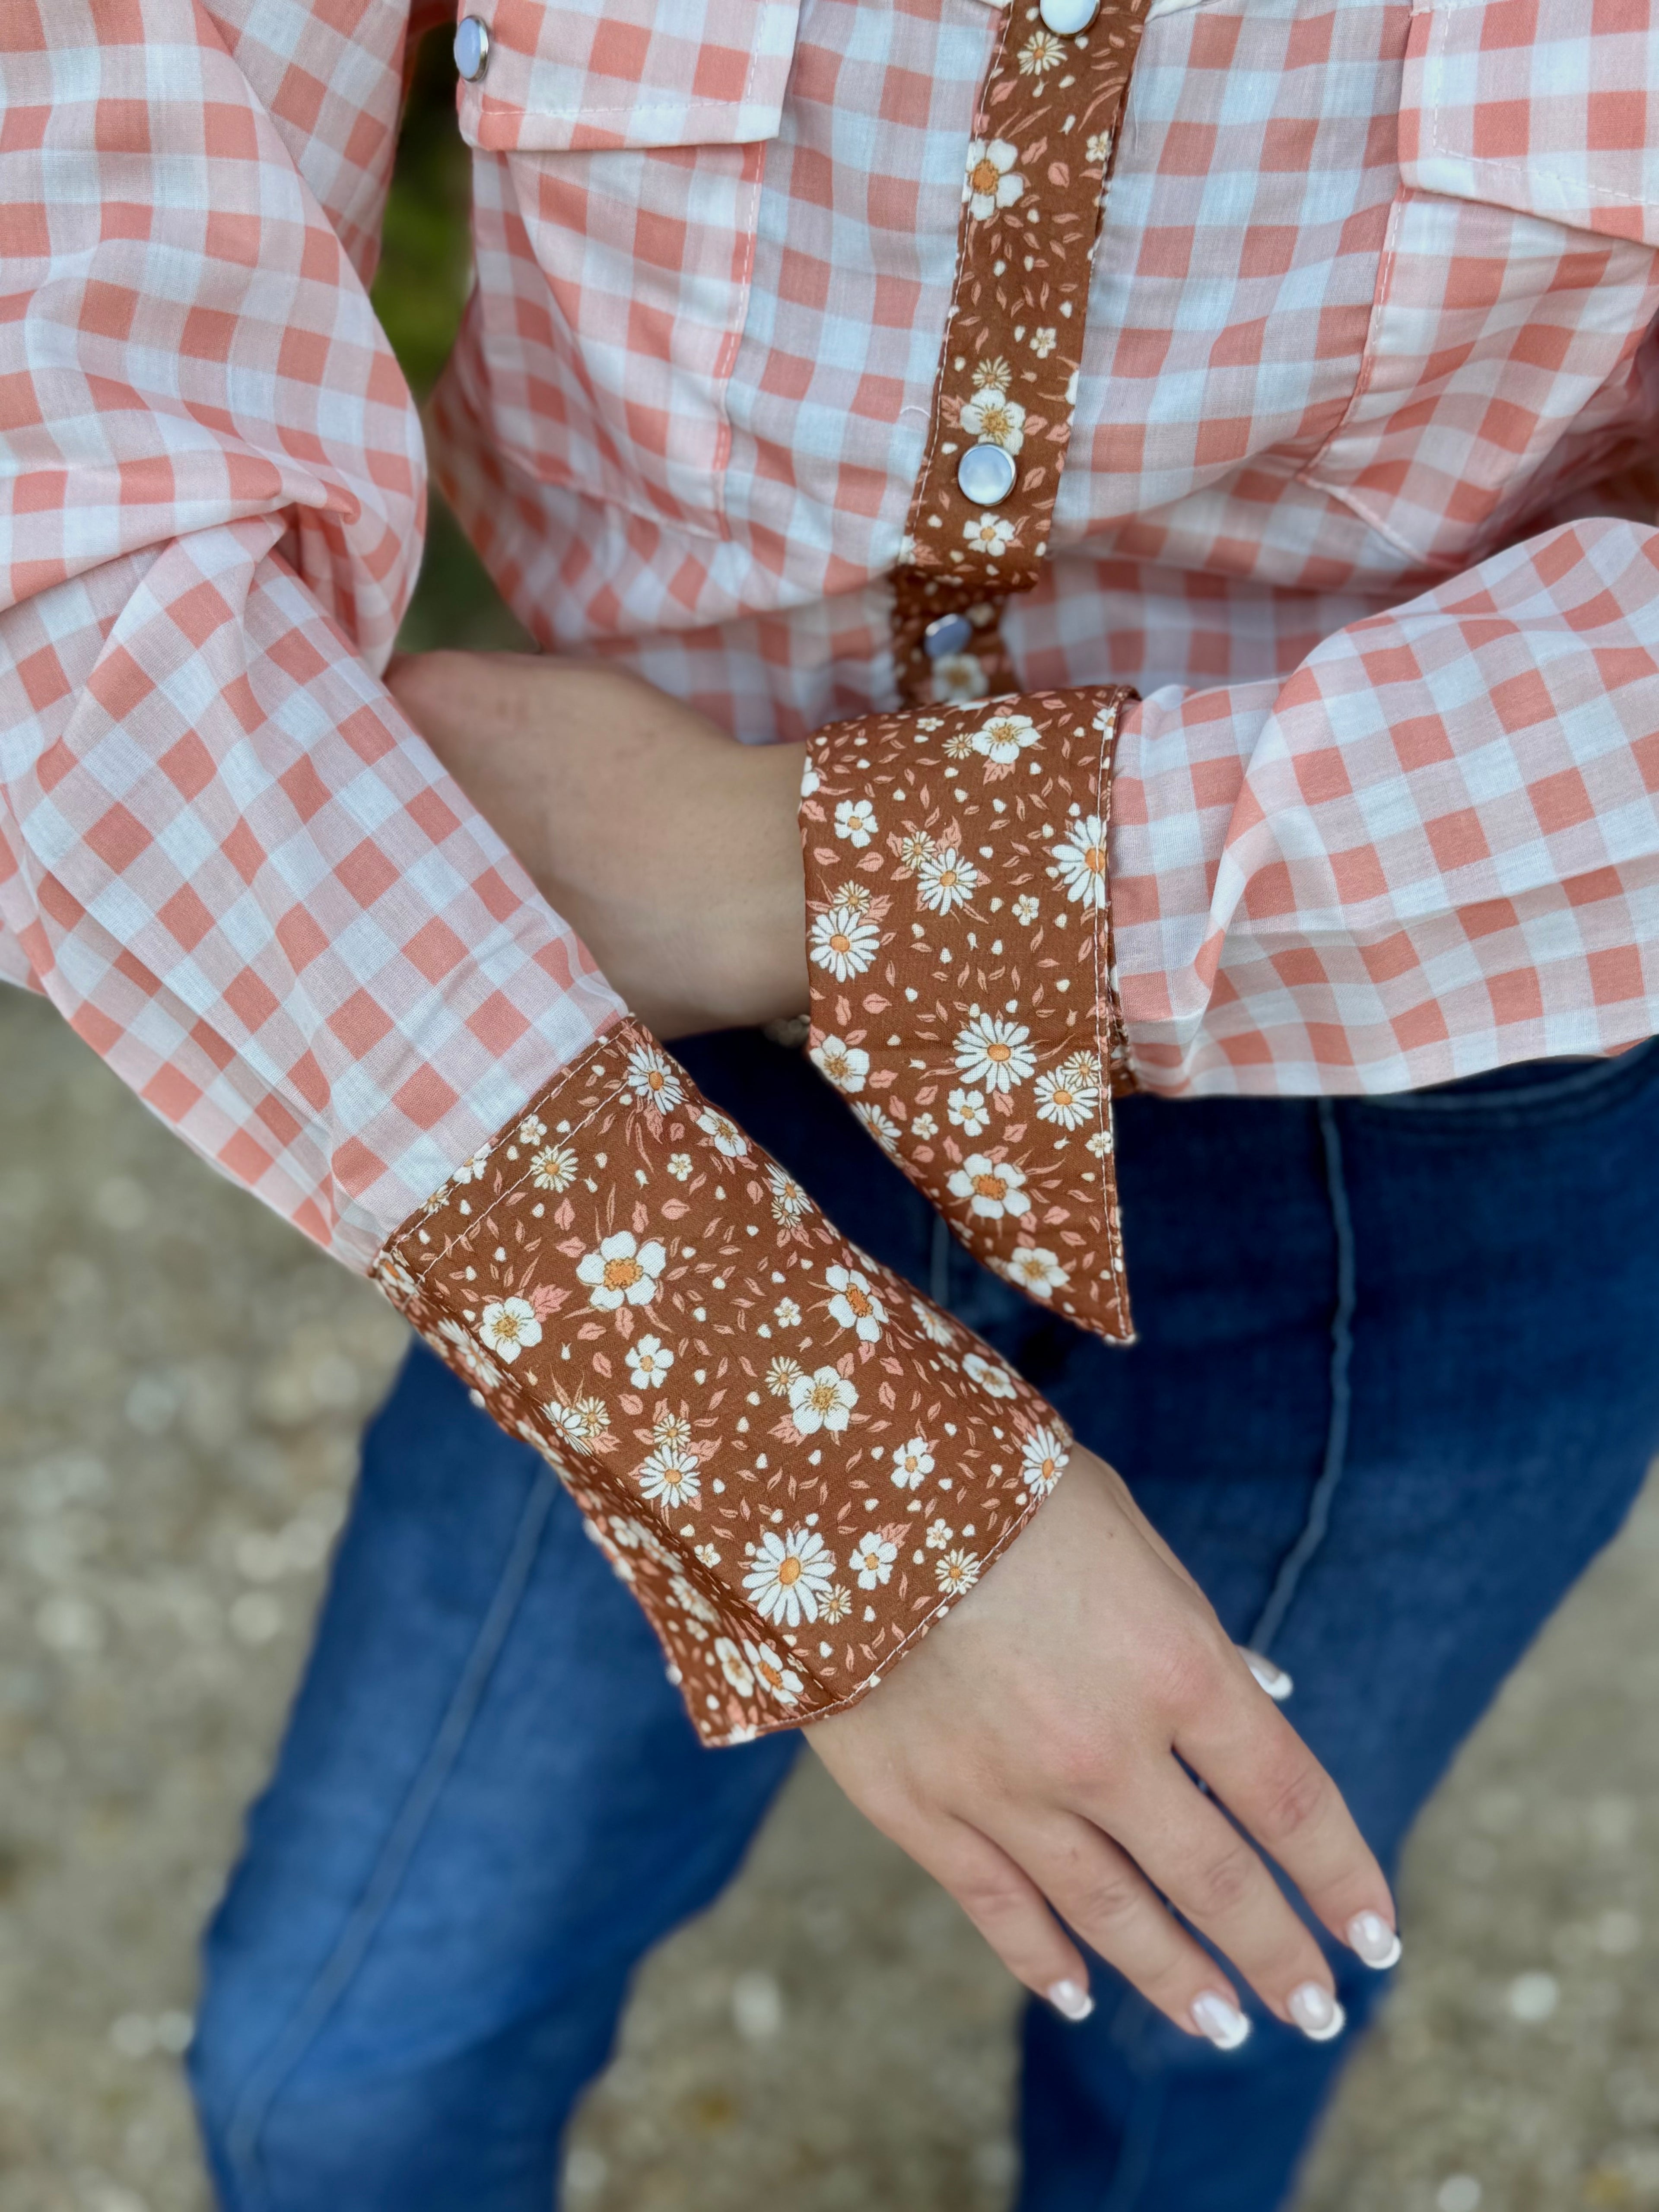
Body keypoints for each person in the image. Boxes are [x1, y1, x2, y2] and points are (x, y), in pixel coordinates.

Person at [5, 2, 1659, 2208]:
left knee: (1223, 1999)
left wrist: (808, 870)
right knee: (347, 2076)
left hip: (1444, 1081)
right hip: (646, 1094)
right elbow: (74, 495)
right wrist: (817, 1474)